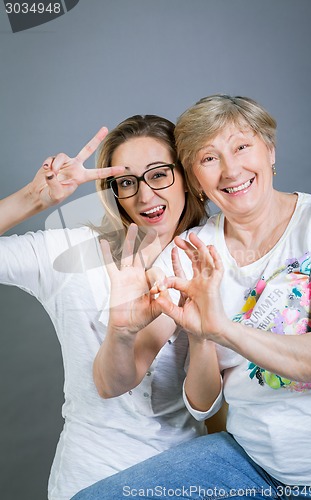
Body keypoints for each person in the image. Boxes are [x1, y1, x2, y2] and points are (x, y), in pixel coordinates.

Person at [73, 95, 311, 500]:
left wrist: (221, 330)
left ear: (270, 150)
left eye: (242, 146)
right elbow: (197, 405)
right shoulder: (187, 251)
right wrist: (125, 330)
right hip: (249, 466)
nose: (231, 170)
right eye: (209, 158)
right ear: (194, 178)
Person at [0, 114, 212, 500]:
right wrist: (35, 197)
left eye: (160, 174)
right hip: (89, 478)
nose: (145, 196)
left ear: (186, 178)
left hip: (184, 477)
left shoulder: (214, 258)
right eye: (127, 181)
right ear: (114, 190)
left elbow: (216, 406)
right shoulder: (66, 252)